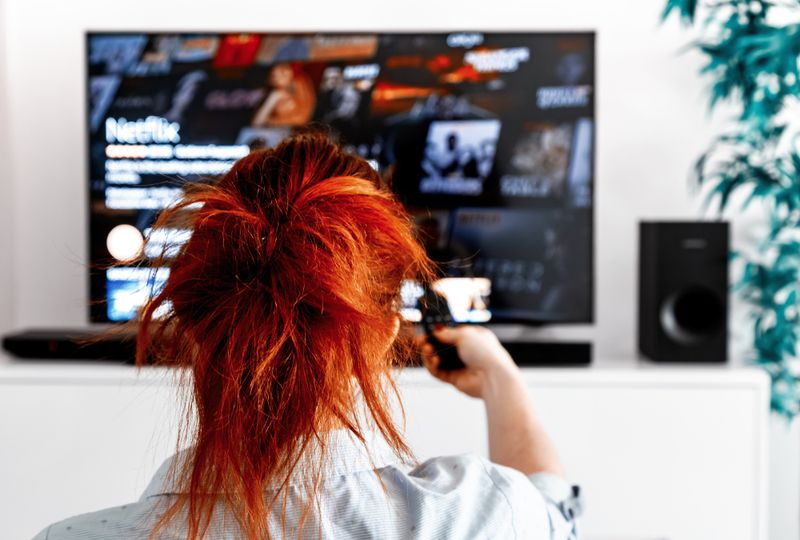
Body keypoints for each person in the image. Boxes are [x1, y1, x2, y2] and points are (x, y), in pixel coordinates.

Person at [33, 133, 580, 539]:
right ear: (386, 332)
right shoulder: (479, 517)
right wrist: (500, 378)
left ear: (192, 330)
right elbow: (557, 514)